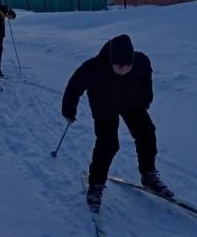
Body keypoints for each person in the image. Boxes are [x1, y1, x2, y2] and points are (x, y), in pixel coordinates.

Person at [62, 34, 173, 212]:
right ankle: (96, 185)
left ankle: (149, 174)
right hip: (104, 105)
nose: (122, 69)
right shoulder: (93, 67)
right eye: (118, 66)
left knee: (146, 133)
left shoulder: (141, 61)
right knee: (108, 143)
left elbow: (146, 79)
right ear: (110, 61)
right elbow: (74, 87)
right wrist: (69, 110)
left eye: (126, 66)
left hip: (131, 101)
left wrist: (147, 98)